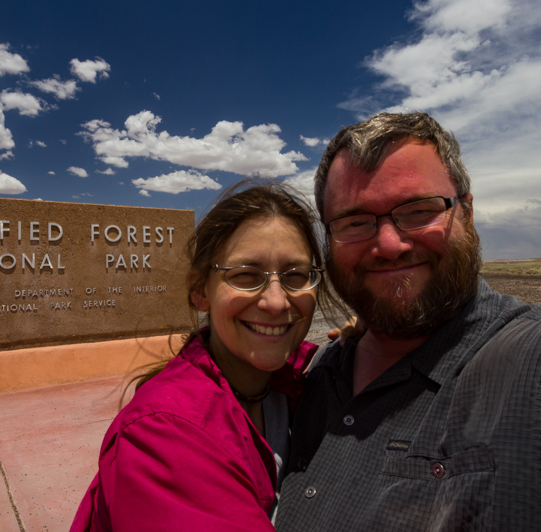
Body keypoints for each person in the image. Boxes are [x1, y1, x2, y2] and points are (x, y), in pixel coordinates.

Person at [274, 112, 541, 531]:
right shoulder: (315, 376)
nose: (389, 245)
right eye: (355, 222)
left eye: (418, 210)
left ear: (466, 212)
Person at [70, 183, 340, 532]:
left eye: (295, 276)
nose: (276, 302)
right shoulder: (162, 436)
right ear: (200, 290)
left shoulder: (297, 386)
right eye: (245, 275)